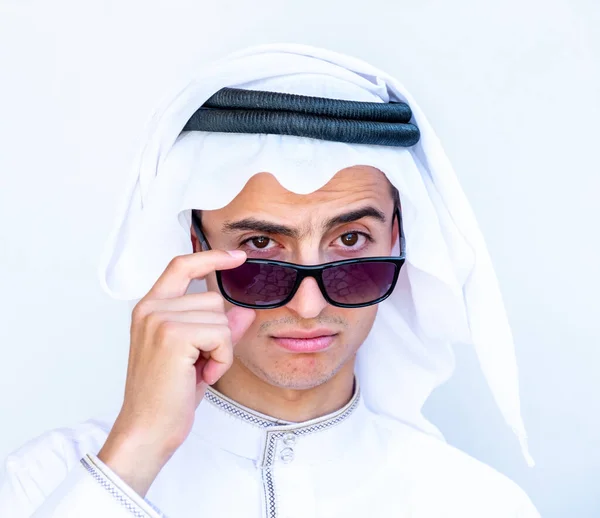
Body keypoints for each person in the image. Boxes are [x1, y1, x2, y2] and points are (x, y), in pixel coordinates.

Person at [0, 44, 540, 517]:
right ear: (196, 247)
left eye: (350, 242)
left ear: (397, 240)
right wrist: (137, 450)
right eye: (260, 246)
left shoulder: (478, 504)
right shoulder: (46, 483)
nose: (308, 305)